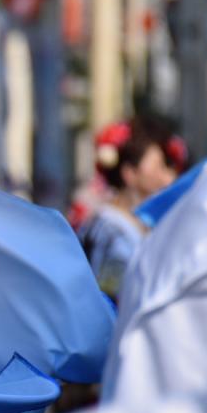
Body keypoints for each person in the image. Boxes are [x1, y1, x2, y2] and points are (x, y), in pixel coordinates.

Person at [76, 117, 184, 301]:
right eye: (160, 166)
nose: (168, 178)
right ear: (130, 173)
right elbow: (111, 296)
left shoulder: (131, 223)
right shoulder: (110, 229)